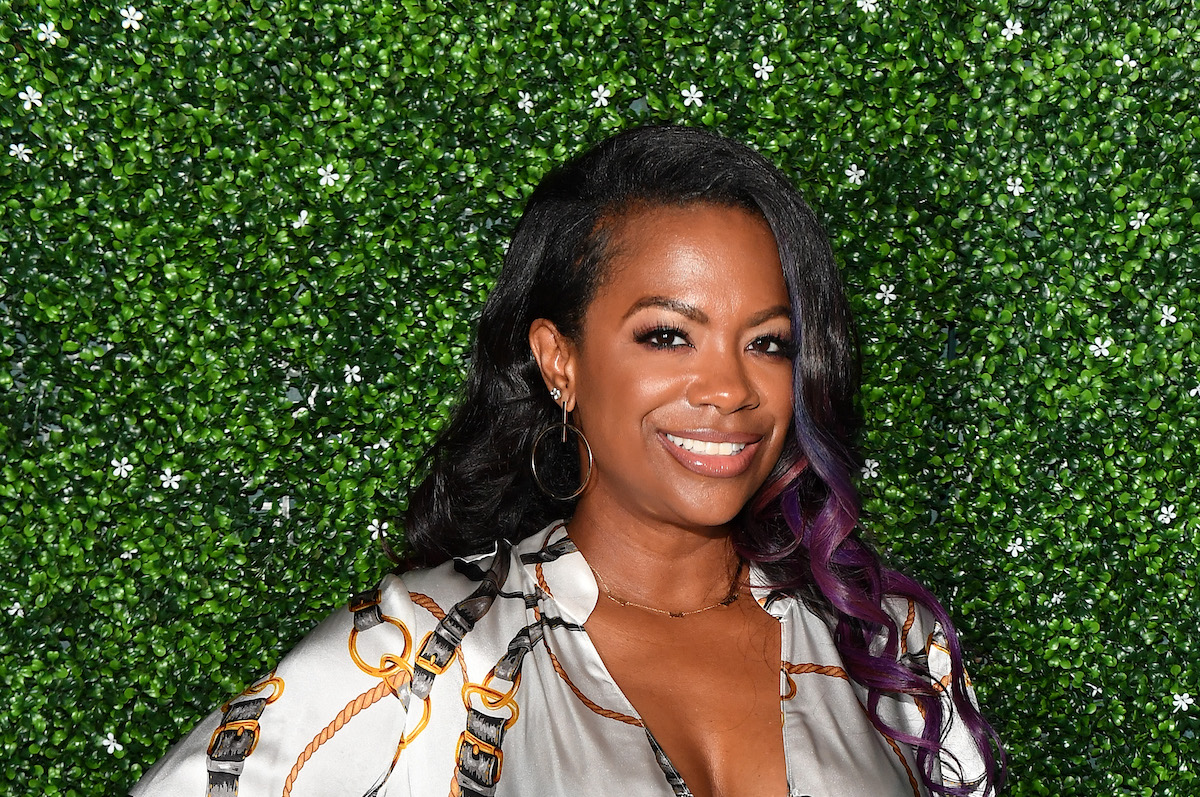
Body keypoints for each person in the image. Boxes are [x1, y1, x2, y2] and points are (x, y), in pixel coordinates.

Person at [131, 125, 1005, 797]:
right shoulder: (424, 652)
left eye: (769, 343)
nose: (730, 389)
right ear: (560, 361)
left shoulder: (887, 645)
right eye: (668, 335)